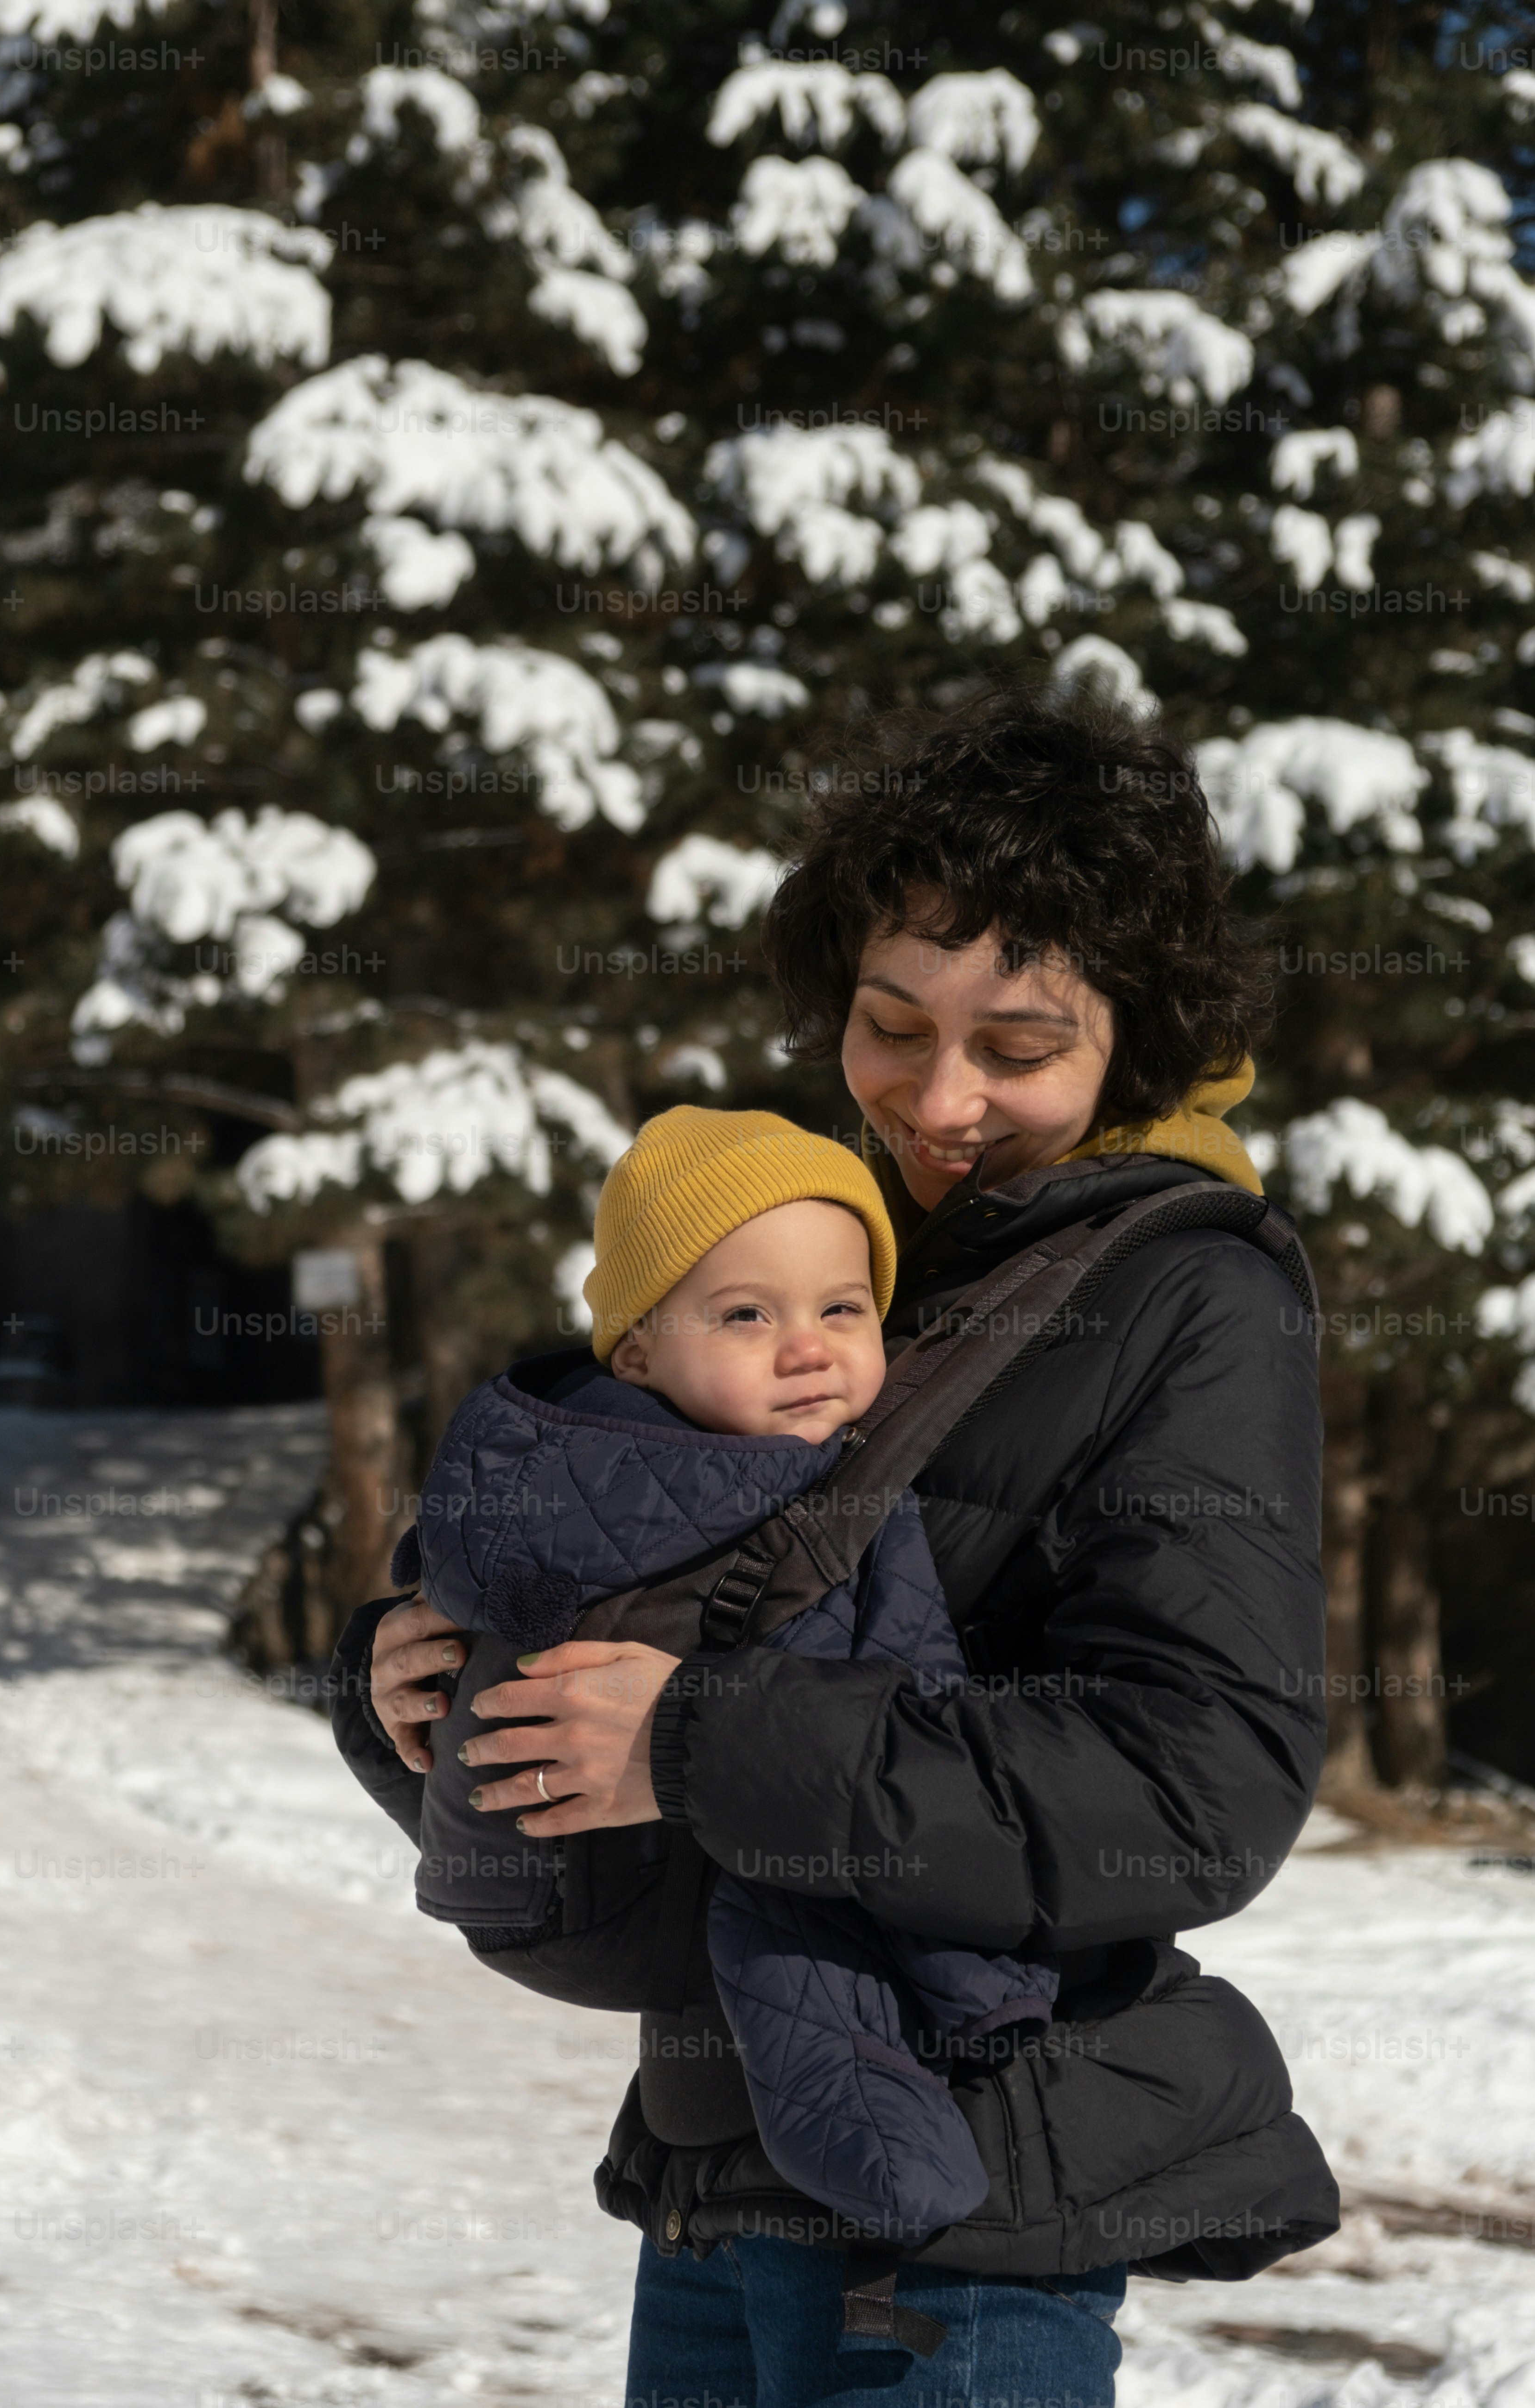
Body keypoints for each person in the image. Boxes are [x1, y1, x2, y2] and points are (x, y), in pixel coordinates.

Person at [334, 681, 1338, 2407]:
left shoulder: (1186, 1298)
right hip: (717, 2180)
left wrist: (697, 1739)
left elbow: (1196, 1774)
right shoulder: (826, 1244)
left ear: (1135, 1040)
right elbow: (648, 1597)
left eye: (1017, 1048)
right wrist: (424, 1687)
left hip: (962, 2214)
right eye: (890, 1022)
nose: (937, 1098)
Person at [390, 1104, 1063, 2249]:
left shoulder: (529, 1452)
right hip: (610, 1893)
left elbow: (450, 1620)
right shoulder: (804, 1488)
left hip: (506, 1875)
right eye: (746, 1313)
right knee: (795, 1883)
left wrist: (384, 1642)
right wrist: (979, 1970)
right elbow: (916, 1680)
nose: (805, 1346)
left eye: (841, 1309)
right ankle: (886, 2142)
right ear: (640, 1349)